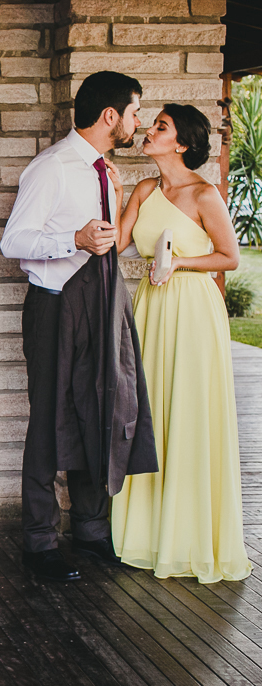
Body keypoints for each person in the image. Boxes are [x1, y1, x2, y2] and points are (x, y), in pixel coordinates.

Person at [0, 70, 155, 582]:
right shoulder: (52, 167)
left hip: (103, 305)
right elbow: (13, 241)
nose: (138, 122)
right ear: (110, 115)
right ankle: (40, 543)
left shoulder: (105, 171)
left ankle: (91, 532)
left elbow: (110, 239)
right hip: (55, 308)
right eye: (134, 113)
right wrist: (74, 240)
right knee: (50, 420)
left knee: (101, 408)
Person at [106, 104, 251, 582]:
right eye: (152, 124)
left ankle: (188, 535)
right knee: (151, 409)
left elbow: (229, 257)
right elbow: (117, 242)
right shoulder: (146, 190)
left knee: (188, 410)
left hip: (192, 309)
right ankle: (146, 534)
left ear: (182, 143)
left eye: (161, 127)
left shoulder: (205, 194)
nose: (149, 130)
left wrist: (180, 263)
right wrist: (117, 193)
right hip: (153, 307)